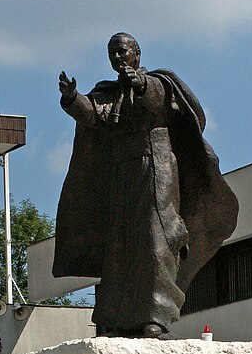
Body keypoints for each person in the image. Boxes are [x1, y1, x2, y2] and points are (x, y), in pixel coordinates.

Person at [53, 33, 238, 337]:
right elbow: (95, 116)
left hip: (156, 164)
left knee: (156, 237)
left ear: (136, 54)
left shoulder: (159, 81)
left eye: (122, 52)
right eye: (112, 53)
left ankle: (157, 313)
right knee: (120, 243)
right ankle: (117, 317)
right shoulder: (109, 91)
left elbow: (162, 102)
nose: (117, 58)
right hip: (121, 171)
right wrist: (73, 99)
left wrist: (139, 84)